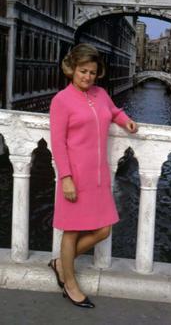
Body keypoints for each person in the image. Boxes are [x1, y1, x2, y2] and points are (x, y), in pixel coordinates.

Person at [48, 43, 138, 308]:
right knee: (72, 231)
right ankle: (70, 283)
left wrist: (126, 121)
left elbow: (113, 112)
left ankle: (59, 264)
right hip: (74, 176)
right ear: (72, 70)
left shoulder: (100, 94)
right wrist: (65, 178)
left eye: (92, 72)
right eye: (83, 71)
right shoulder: (61, 101)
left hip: (98, 177)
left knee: (103, 229)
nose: (87, 77)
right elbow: (58, 142)